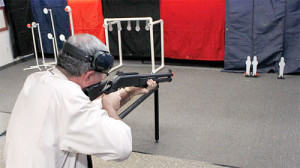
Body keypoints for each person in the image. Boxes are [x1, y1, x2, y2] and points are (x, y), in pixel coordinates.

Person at [4, 34, 157, 168]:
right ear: (88, 76)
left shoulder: (37, 79)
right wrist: (110, 108)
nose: (104, 79)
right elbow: (121, 147)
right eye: (103, 76)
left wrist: (130, 91)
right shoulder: (68, 98)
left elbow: (82, 114)